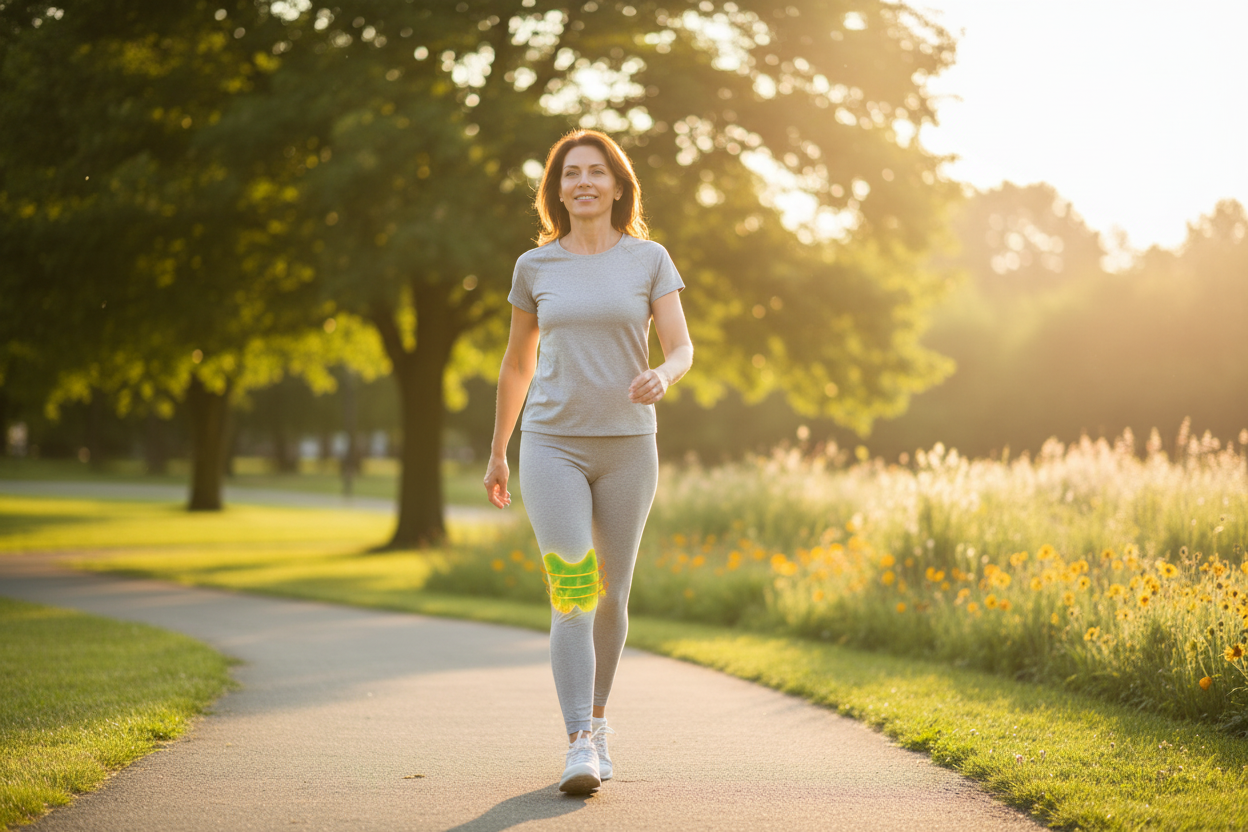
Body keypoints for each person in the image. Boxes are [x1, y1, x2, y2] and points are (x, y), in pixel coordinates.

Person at [484, 129, 694, 795]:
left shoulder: (649, 259)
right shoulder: (535, 267)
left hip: (630, 446)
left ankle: (599, 723)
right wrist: (498, 452)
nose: (583, 182)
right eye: (570, 173)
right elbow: (517, 363)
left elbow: (682, 346)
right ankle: (578, 739)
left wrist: (665, 374)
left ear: (617, 184)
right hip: (553, 445)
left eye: (595, 172)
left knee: (615, 594)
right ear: (557, 189)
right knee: (573, 590)